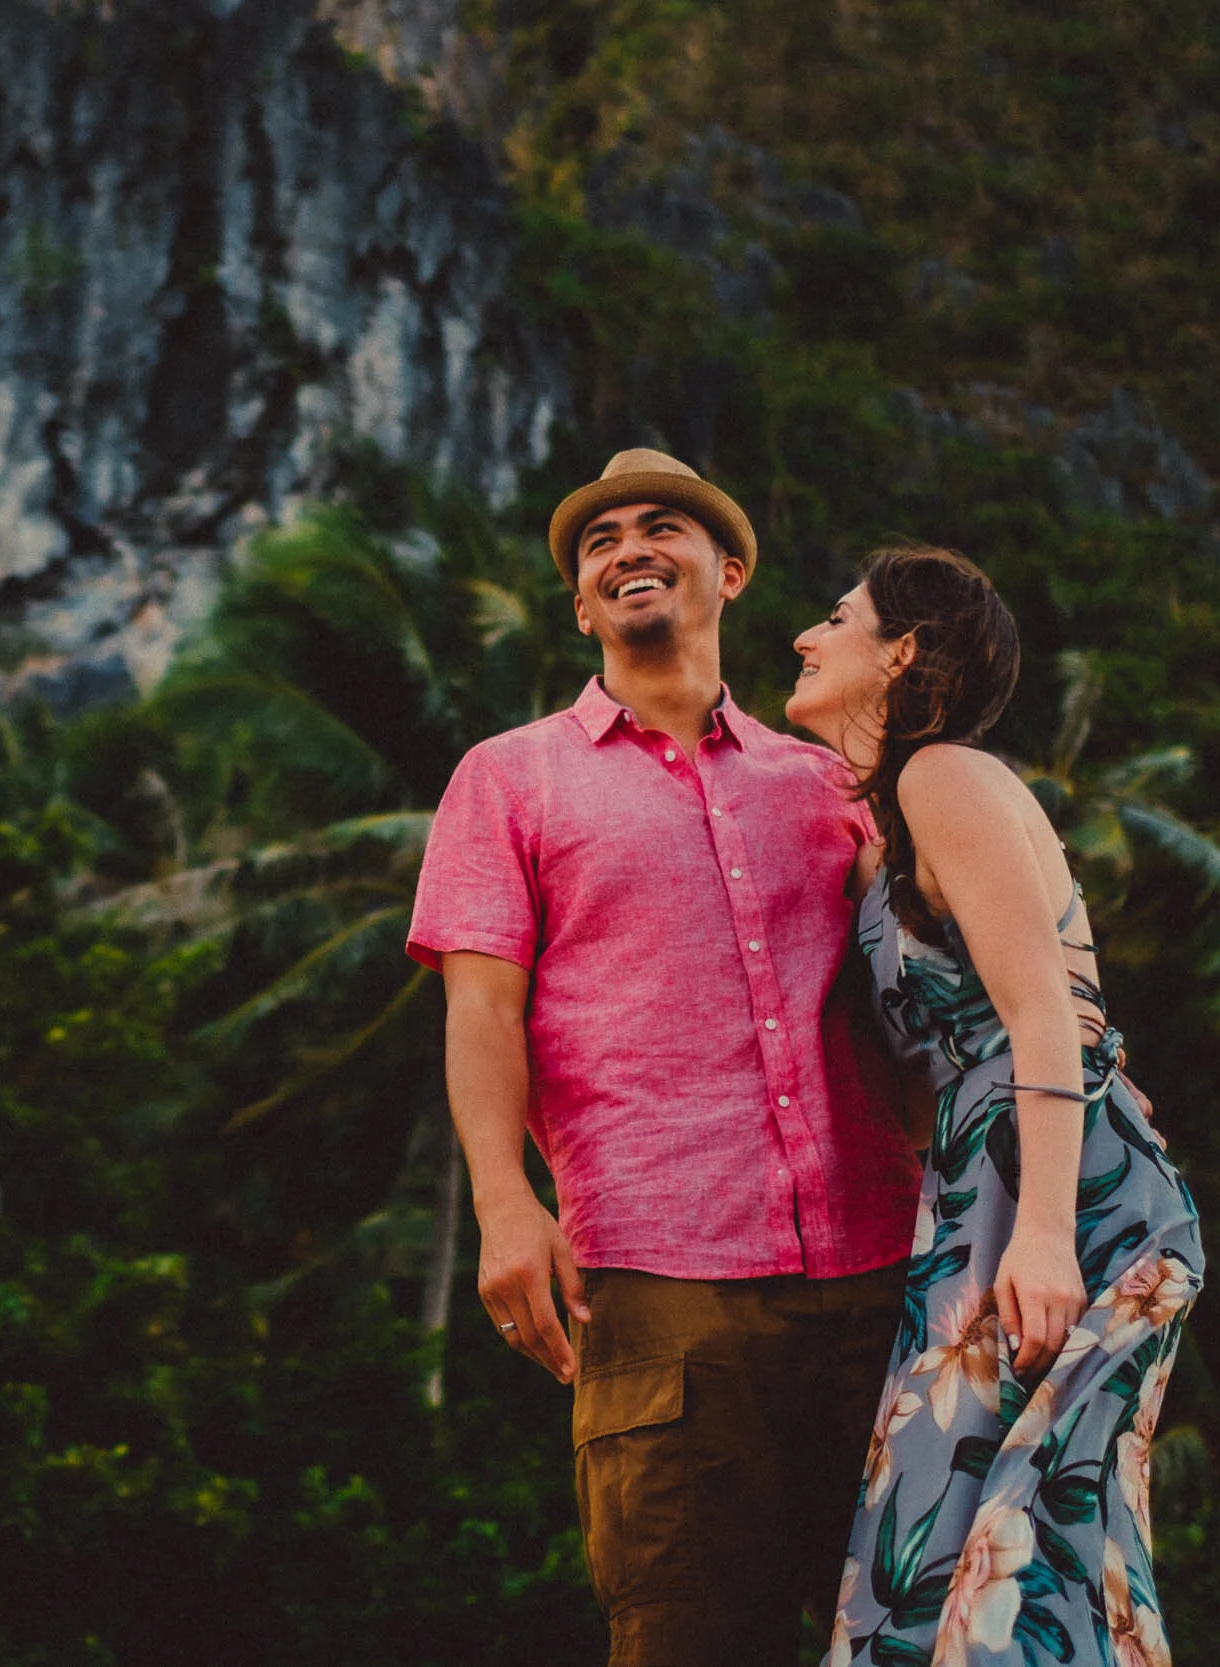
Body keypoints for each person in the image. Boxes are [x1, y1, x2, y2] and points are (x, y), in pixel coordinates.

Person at [406, 448, 924, 1664]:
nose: (628, 547)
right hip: (660, 1283)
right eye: (600, 543)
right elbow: (480, 1012)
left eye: (663, 528)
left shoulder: (831, 783)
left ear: (729, 572)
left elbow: (924, 991)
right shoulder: (507, 778)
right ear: (581, 605)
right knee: (686, 1637)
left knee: (916, 1633)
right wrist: (503, 1205)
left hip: (882, 1272)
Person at [788, 545, 1204, 1667]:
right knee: (952, 1535)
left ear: (903, 651)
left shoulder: (944, 777)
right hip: (985, 1185)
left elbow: (1047, 1019)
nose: (804, 637)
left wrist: (1047, 1228)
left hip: (1060, 1190)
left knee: (1018, 1542)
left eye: (836, 617)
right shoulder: (888, 832)